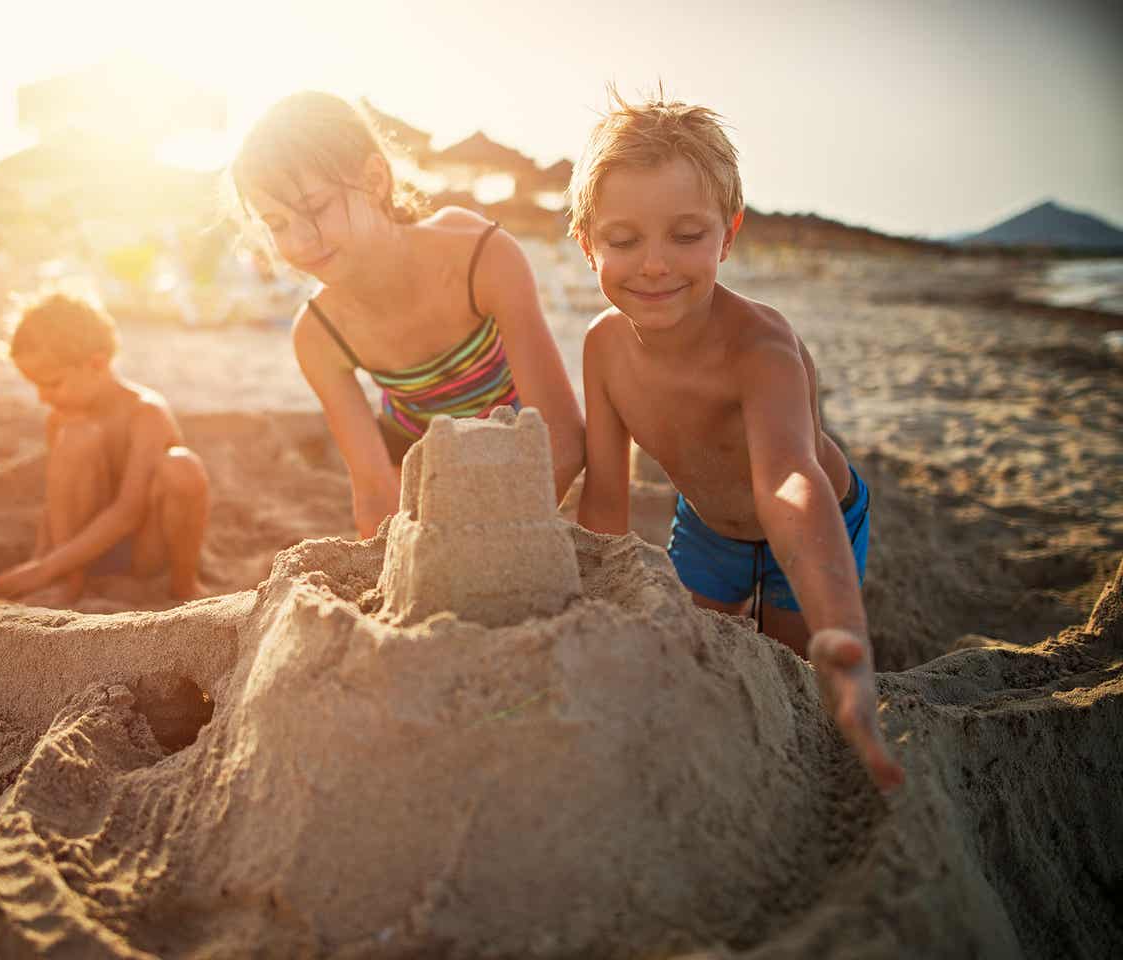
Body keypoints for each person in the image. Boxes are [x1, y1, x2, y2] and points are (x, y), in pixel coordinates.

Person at [571, 92, 903, 791]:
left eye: (686, 236)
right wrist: (592, 618)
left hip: (815, 522)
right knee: (700, 658)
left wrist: (842, 635)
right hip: (708, 526)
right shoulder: (603, 349)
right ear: (585, 243)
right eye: (624, 241)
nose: (655, 264)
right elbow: (606, 494)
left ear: (729, 232)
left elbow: (790, 482)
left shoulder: (762, 347)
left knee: (795, 677)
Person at [231, 91, 585, 538]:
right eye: (277, 224)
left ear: (376, 179)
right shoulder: (319, 334)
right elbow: (375, 490)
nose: (299, 242)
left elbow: (565, 439)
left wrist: (502, 538)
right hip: (416, 460)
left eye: (315, 209)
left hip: (514, 444)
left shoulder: (478, 257)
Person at [0, 292, 209, 605]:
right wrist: (39, 560)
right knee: (77, 436)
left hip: (144, 552)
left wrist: (44, 569)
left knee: (182, 467)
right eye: (35, 386)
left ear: (96, 364)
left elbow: (129, 511)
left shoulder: (146, 413)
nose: (42, 397)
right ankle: (71, 580)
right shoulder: (61, 419)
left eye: (52, 383)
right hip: (84, 555)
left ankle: (184, 586)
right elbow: (57, 500)